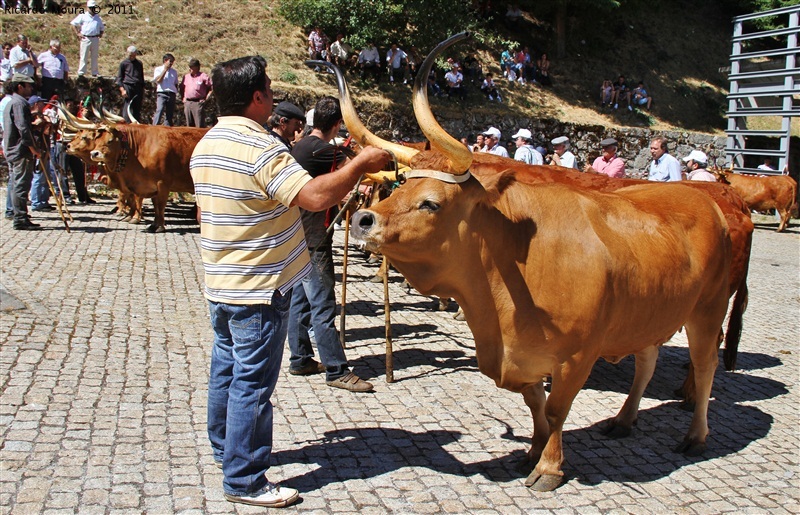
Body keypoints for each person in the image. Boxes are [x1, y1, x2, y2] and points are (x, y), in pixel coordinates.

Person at [189, 55, 389, 508]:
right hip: (259, 287)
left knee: (226, 368)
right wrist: (361, 164)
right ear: (258, 97)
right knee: (253, 384)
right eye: (271, 89)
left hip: (222, 281)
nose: (274, 97)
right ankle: (244, 479)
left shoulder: (208, 142)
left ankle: (226, 450)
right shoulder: (260, 147)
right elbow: (314, 195)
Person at [288, 96, 373, 392]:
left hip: (297, 235)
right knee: (323, 305)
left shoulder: (300, 145)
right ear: (337, 124)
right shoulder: (326, 151)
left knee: (300, 300)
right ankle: (337, 370)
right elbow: (361, 169)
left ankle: (301, 358)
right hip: (315, 236)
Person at [3, 73, 42, 230]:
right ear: (20, 86)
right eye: (28, 85)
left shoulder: (11, 102)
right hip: (20, 151)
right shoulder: (20, 103)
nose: (31, 88)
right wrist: (34, 149)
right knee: (21, 184)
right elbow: (23, 129)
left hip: (12, 149)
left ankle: (16, 212)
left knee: (15, 183)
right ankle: (20, 218)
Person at [70, 0, 104, 78]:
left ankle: (94, 72)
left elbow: (102, 27)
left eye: (93, 8)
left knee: (94, 56)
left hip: (95, 38)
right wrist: (78, 33)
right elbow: (73, 24)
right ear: (87, 8)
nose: (92, 9)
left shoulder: (97, 17)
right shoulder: (83, 15)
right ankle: (81, 72)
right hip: (86, 38)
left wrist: (100, 34)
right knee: (84, 56)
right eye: (91, 8)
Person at [180, 58, 212, 128]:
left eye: (192, 67)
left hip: (198, 103)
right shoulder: (186, 77)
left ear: (197, 67)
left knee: (199, 125)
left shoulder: (203, 76)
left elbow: (211, 87)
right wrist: (183, 98)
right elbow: (182, 88)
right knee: (189, 125)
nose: (190, 69)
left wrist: (206, 98)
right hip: (188, 103)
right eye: (190, 67)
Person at [116, 45, 145, 123]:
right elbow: (119, 78)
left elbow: (141, 76)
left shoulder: (139, 63)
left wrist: (142, 87)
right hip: (128, 86)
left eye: (133, 55)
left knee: (137, 107)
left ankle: (136, 125)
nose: (131, 57)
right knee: (128, 106)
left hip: (138, 87)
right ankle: (126, 124)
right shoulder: (123, 63)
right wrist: (122, 89)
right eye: (130, 55)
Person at [152, 53, 178, 126]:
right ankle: (154, 127)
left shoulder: (174, 72)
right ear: (165, 60)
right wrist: (165, 70)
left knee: (169, 113)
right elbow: (158, 80)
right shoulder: (158, 69)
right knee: (159, 110)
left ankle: (168, 127)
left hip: (171, 93)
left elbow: (176, 83)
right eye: (170, 61)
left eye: (172, 61)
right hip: (162, 93)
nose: (171, 63)